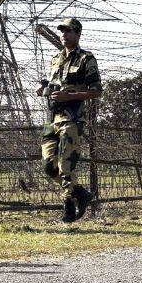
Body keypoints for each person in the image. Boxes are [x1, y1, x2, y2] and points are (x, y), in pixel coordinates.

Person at [37, 17, 102, 223]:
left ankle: (68, 207)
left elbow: (96, 91)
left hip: (72, 118)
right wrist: (44, 88)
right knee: (49, 166)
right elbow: (54, 83)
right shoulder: (56, 59)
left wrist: (69, 96)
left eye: (68, 31)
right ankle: (80, 193)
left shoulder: (86, 59)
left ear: (78, 34)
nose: (64, 34)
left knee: (66, 167)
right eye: (61, 31)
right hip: (52, 118)